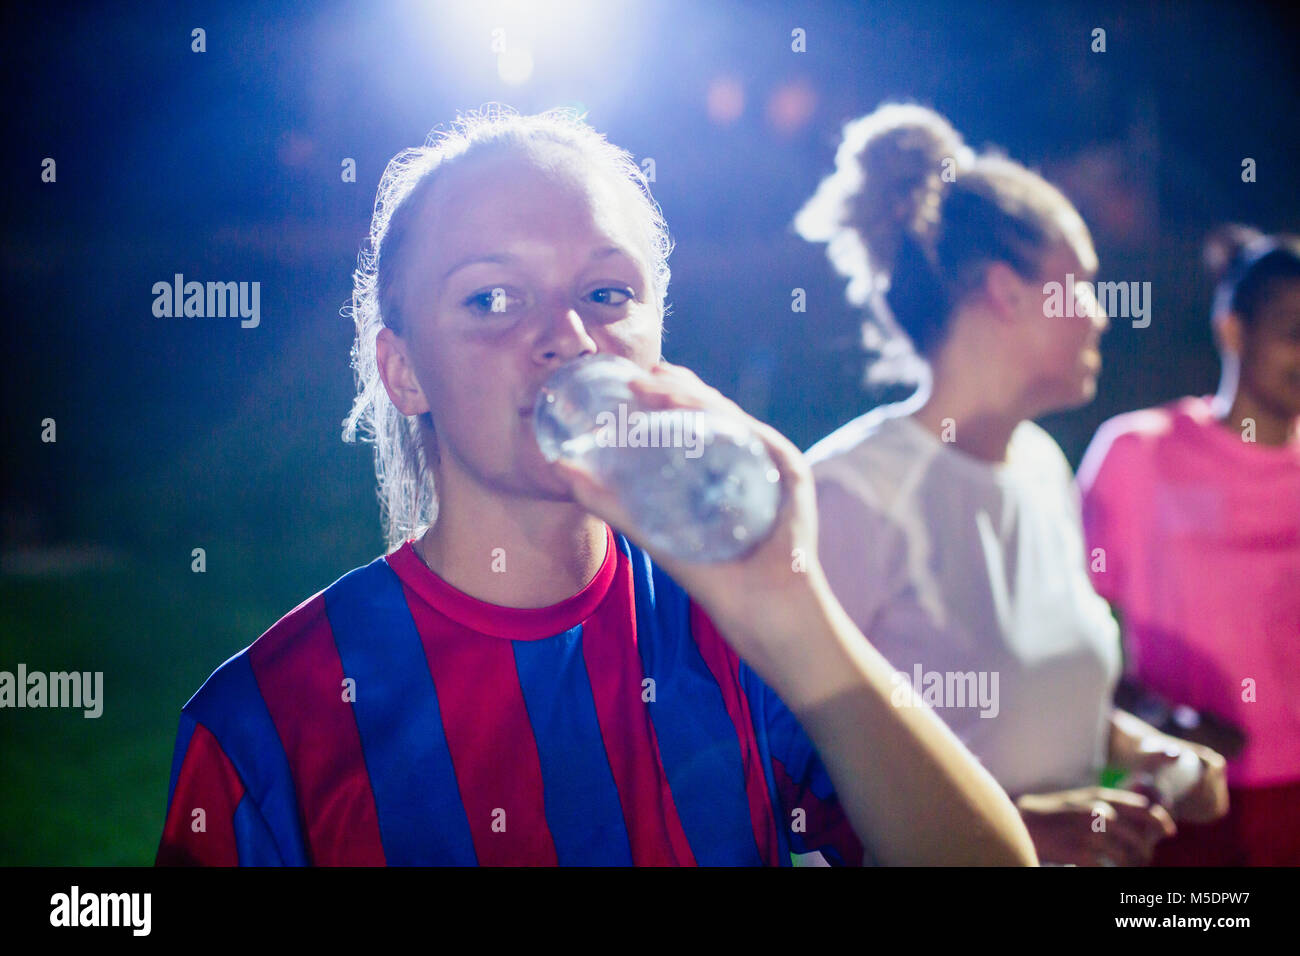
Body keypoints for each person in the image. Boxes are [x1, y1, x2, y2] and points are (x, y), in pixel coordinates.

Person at [155, 107, 1036, 867]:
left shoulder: (735, 629)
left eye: (607, 291)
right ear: (403, 372)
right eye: (492, 300)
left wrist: (798, 611)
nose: (567, 335)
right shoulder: (268, 722)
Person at [797, 103, 1228, 866]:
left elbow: (1044, 711)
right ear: (1006, 291)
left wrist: (1156, 754)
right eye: (1084, 286)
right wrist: (1009, 834)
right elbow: (793, 784)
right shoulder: (846, 494)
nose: (1100, 317)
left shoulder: (1038, 465)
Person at [1077, 226, 1300, 866]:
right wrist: (1166, 720)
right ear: (1233, 330)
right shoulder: (1139, 454)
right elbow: (1056, 633)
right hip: (1187, 803)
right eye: (1293, 330)